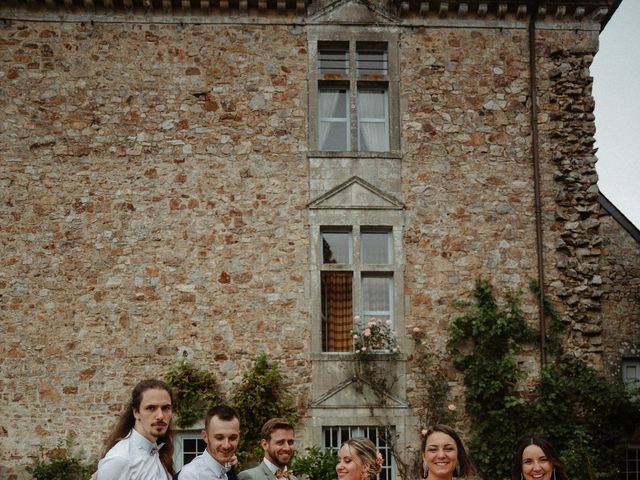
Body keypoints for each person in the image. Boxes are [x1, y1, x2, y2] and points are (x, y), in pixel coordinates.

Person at [97, 378, 175, 480]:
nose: (160, 416)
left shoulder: (157, 451)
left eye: (166, 408)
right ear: (136, 412)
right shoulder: (120, 459)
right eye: (151, 408)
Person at [177, 405, 241, 480]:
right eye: (219, 438)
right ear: (205, 437)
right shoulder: (191, 475)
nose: (226, 446)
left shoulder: (228, 468)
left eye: (232, 438)